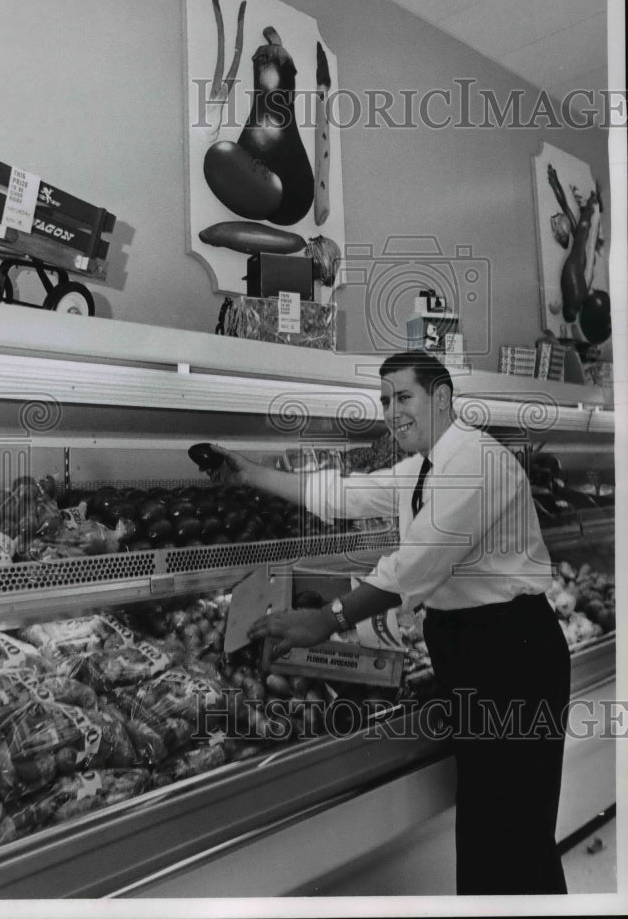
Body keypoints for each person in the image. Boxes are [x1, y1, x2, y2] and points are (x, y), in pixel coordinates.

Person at [212, 349, 571, 896]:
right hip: (476, 652)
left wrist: (326, 619)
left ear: (442, 397)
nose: (391, 411)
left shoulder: (476, 462)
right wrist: (248, 474)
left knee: (512, 832)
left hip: (512, 653)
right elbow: (345, 494)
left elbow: (415, 564)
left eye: (403, 396)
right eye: (384, 399)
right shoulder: (425, 467)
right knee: (488, 827)